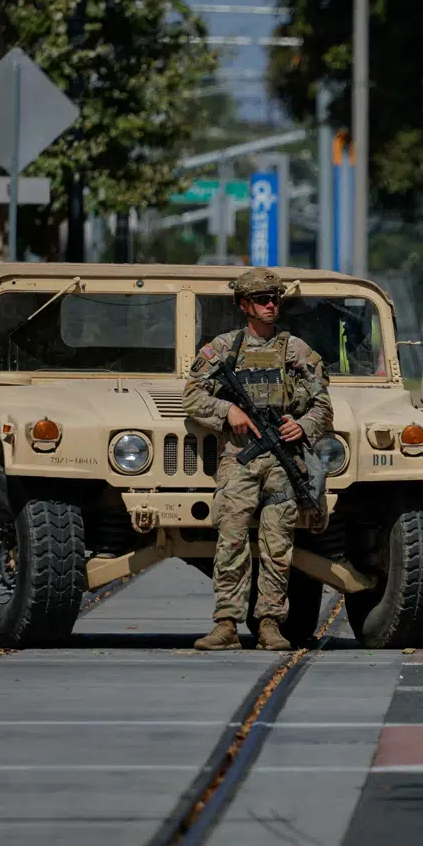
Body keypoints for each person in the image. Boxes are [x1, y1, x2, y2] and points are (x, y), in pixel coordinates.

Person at [183, 268, 334, 651]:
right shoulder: (223, 349)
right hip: (240, 457)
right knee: (231, 540)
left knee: (277, 544)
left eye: (275, 299)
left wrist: (303, 426)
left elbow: (322, 407)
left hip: (283, 461)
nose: (271, 305)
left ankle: (269, 623)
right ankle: (227, 623)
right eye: (263, 299)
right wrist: (226, 412)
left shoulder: (295, 350)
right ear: (244, 305)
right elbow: (192, 396)